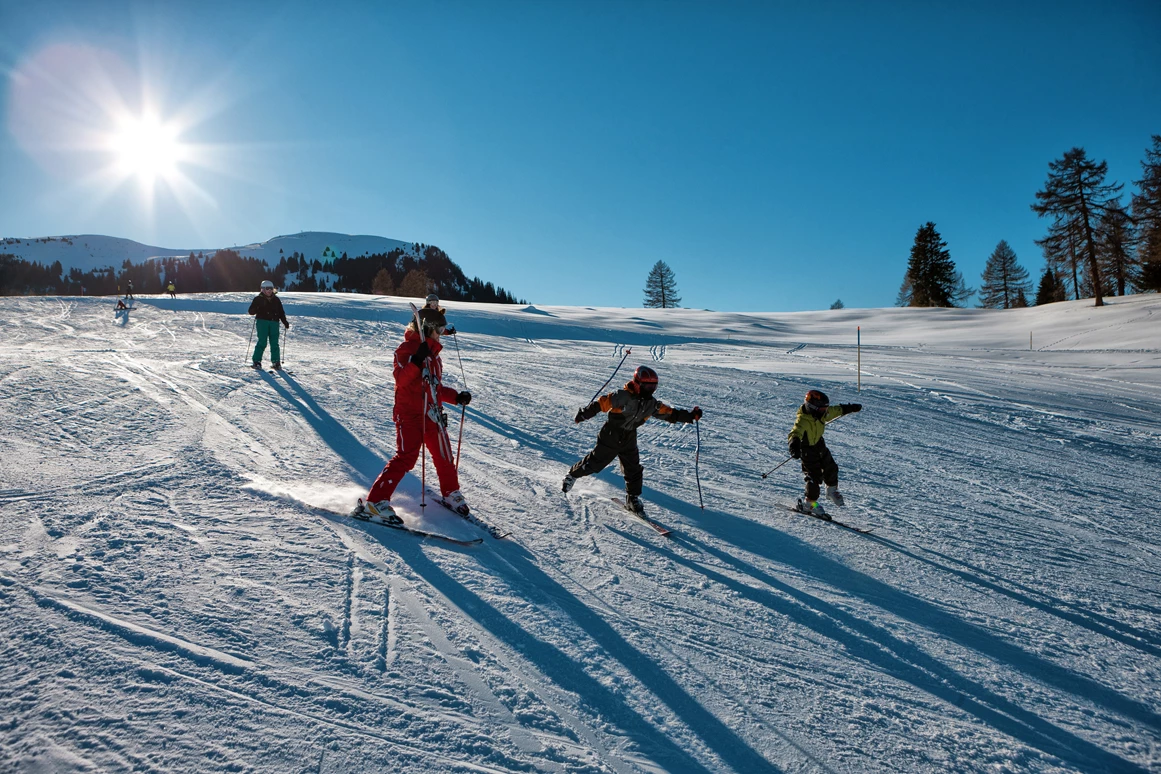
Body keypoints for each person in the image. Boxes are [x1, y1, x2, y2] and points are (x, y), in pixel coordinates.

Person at [358, 305, 472, 523]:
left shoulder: (434, 356)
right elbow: (401, 379)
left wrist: (456, 397)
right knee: (406, 457)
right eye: (439, 330)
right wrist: (416, 361)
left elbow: (434, 388)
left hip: (432, 414)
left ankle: (451, 492)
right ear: (428, 328)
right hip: (409, 415)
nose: (442, 334)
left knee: (444, 455)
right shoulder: (407, 350)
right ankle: (375, 502)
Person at [563, 365, 702, 514]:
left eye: (653, 387)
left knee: (634, 469)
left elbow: (670, 413)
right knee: (595, 463)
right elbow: (602, 403)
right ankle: (572, 475)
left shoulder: (651, 403)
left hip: (629, 437)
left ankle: (632, 498)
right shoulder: (622, 396)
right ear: (637, 384)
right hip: (611, 435)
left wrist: (690, 416)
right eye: (647, 386)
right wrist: (585, 414)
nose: (651, 390)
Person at [787, 389, 861, 519]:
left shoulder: (822, 414)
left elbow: (836, 410)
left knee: (831, 467)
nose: (825, 411)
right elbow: (795, 433)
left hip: (819, 445)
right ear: (812, 407)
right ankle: (809, 503)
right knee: (814, 476)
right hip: (807, 450)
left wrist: (850, 408)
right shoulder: (803, 420)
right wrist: (794, 446)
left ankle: (831, 491)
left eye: (825, 408)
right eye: (822, 409)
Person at [247, 280, 290, 370]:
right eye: (267, 288)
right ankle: (257, 361)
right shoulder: (258, 299)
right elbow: (251, 311)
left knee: (274, 342)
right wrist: (256, 308)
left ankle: (276, 362)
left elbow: (281, 312)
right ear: (262, 289)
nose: (269, 290)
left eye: (271, 288)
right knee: (262, 341)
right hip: (262, 322)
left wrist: (284, 322)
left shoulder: (276, 299)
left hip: (274, 322)